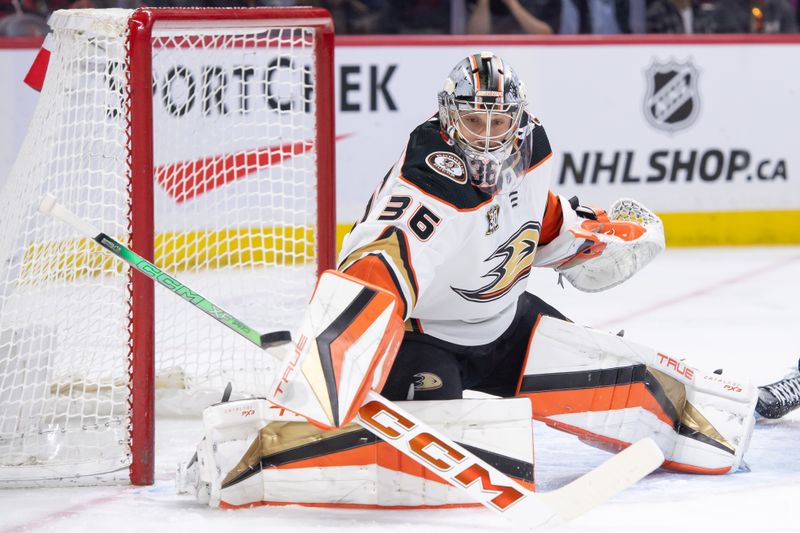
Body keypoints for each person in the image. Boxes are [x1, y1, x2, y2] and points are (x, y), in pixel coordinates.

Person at [181, 52, 762, 510]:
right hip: (426, 341)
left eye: (499, 120)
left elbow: (534, 218)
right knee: (449, 458)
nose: (486, 134)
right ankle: (253, 435)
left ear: (519, 118)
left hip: (508, 325)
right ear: (447, 116)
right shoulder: (427, 188)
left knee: (676, 413)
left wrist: (587, 237)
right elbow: (376, 269)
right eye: (473, 119)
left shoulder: (530, 150)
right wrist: (328, 367)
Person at [466, 0, 561, 34]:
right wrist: (483, 2)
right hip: (489, 57)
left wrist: (512, 4)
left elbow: (546, 34)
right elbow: (474, 34)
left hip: (531, 55)